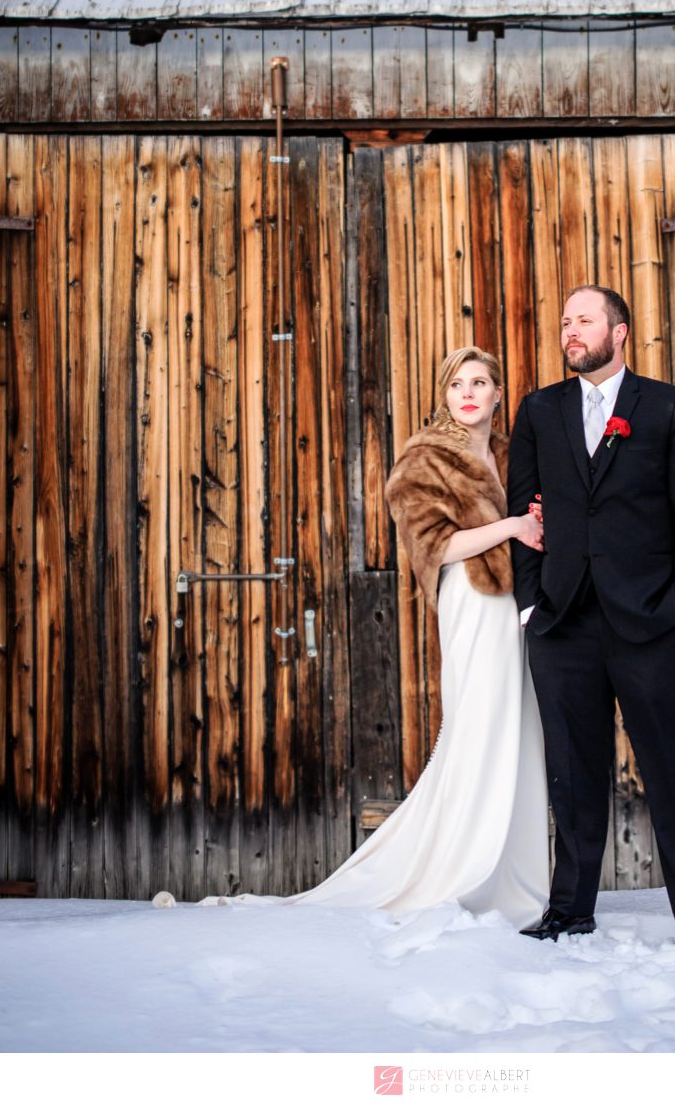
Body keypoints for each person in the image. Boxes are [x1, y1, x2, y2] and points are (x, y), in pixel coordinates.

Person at [201, 346, 550, 927]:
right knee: (481, 725)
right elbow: (433, 547)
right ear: (444, 395)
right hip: (472, 599)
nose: (467, 393)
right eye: (456, 384)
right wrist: (512, 526)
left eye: (479, 382)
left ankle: (514, 879)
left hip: (517, 605)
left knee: (520, 729)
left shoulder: (511, 454)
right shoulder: (425, 457)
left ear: (497, 394)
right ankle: (464, 871)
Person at [507, 285, 675, 941]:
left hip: (648, 620)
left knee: (673, 771)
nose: (570, 330)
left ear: (619, 330)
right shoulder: (539, 410)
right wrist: (527, 605)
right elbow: (523, 515)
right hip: (562, 622)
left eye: (584, 319)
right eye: (564, 319)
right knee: (572, 774)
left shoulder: (665, 407)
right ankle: (569, 912)